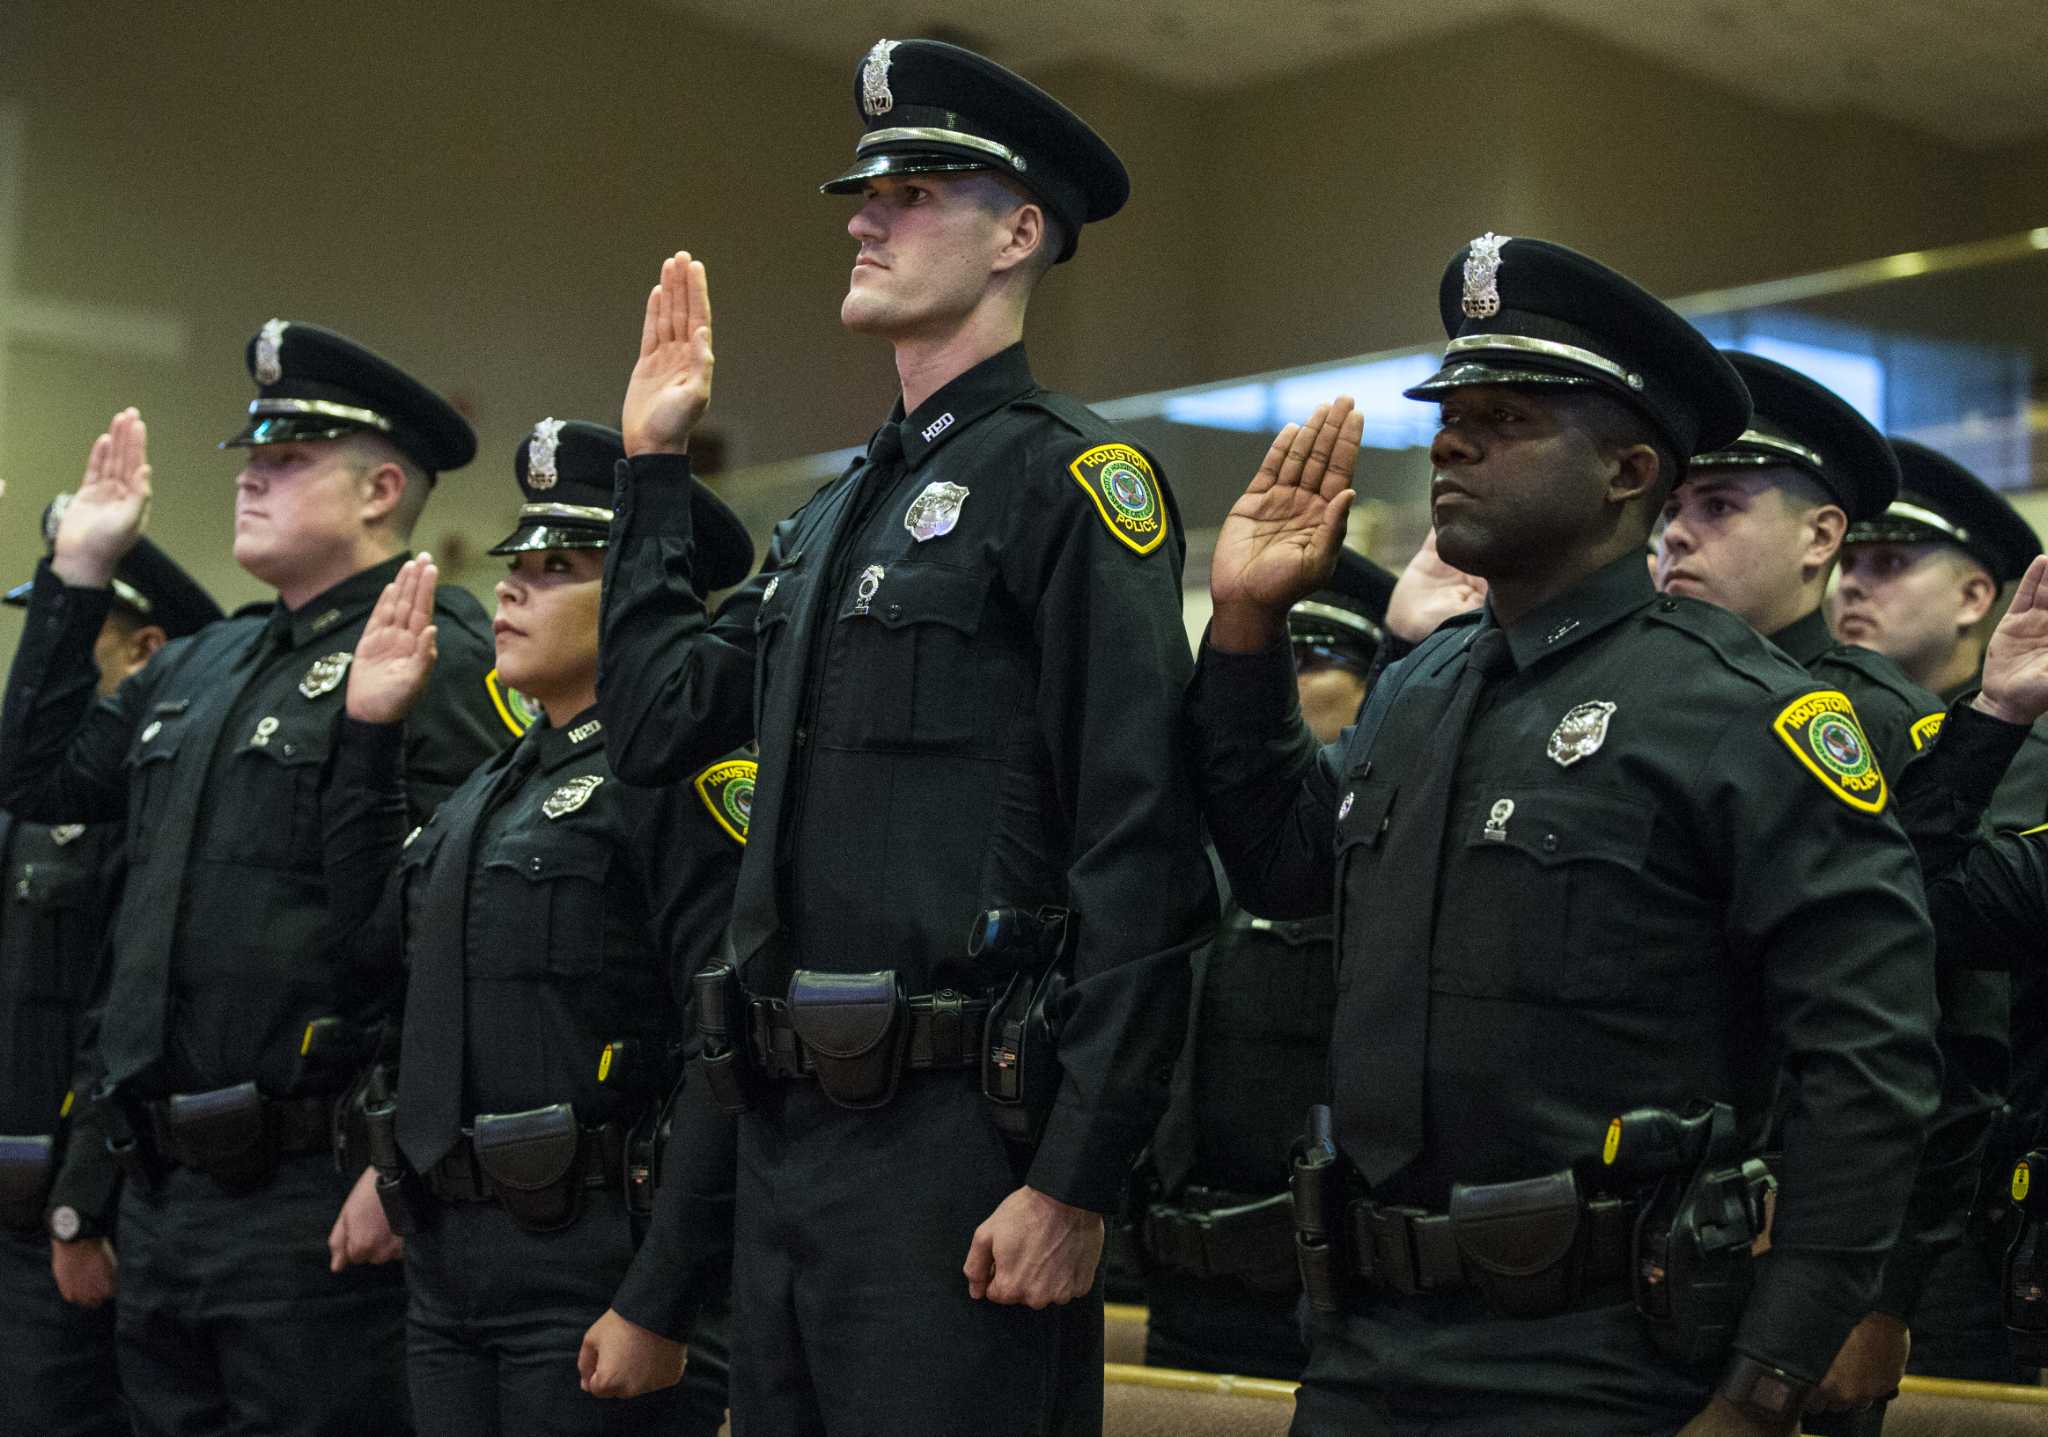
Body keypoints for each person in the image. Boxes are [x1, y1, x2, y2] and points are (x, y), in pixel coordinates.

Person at [1186, 233, 1940, 1436]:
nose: (1448, 440)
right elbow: (1283, 868)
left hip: (1602, 1355)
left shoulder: (1741, 713)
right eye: (1448, 414)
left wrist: (1762, 1385)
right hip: (1362, 1336)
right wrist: (1241, 627)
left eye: (1505, 418)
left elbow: (1867, 1066)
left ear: (1627, 470)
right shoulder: (1416, 687)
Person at [597, 38, 1216, 1434]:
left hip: (961, 1143)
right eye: (863, 193)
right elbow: (649, 725)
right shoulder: (826, 521)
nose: (866, 217)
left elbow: (1143, 854)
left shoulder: (1072, 481)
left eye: (915, 190)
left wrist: (1075, 1177)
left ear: (1019, 233)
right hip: (790, 1137)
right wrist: (651, 465)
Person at [0, 321, 508, 1437]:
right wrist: (79, 571)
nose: (252, 477)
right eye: (251, 454)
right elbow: (34, 778)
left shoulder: (442, 652)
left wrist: (398, 1154)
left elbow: (455, 930)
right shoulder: (200, 663)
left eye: (287, 458)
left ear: (381, 487)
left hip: (312, 1183)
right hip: (167, 1191)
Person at [323, 419, 754, 1434]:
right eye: (518, 561)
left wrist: (662, 1295)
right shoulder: (492, 785)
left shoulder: (681, 776)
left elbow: (723, 1051)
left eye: (557, 567)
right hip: (452, 1265)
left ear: (652, 601)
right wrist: (367, 743)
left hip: (596, 1257)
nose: (510, 587)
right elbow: (370, 951)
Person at [1654, 354, 2003, 1431]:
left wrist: (1875, 1293)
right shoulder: (1649, 692)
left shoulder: (1870, 721)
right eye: (1670, 505)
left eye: (1717, 505)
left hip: (1796, 1250)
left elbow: (1943, 1029)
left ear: (1818, 540)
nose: (1675, 534)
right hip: (1640, 1239)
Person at [1135, 549, 1390, 1380]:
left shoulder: (1381, 858)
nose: (1283, 682)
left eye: (1311, 659)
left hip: (1322, 1285)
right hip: (1176, 1282)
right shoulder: (1195, 852)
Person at [0, 517, 220, 1437]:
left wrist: (79, 1206)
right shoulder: (24, 804)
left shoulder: (156, 809)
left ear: (146, 649)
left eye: (73, 632)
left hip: (81, 1212)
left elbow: (121, 1013)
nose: (40, 659)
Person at [1831, 442, 2045, 1383]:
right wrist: (1996, 716)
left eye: (1890, 562)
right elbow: (1914, 903)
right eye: (1851, 560)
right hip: (1976, 1205)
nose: (1853, 587)